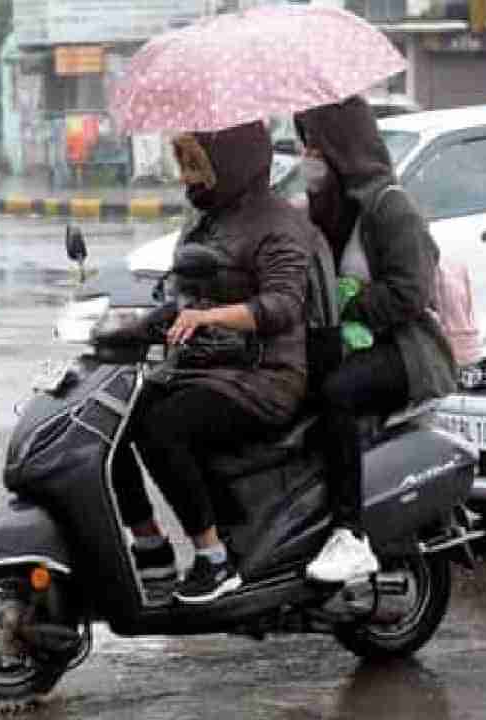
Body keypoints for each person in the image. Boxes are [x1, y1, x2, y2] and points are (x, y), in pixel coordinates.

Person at [111, 120, 317, 604]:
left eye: (196, 168)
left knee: (163, 428)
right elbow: (184, 290)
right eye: (183, 167)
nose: (188, 180)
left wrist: (212, 318)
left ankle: (213, 557)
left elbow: (285, 305)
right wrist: (126, 329)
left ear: (232, 165)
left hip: (264, 374)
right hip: (209, 365)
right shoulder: (209, 216)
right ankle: (150, 546)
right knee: (112, 417)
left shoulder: (278, 224)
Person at [295, 96, 457, 584]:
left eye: (316, 148)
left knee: (337, 393)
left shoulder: (390, 206)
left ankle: (351, 534)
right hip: (352, 340)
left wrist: (349, 303)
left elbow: (411, 292)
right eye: (305, 147)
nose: (308, 159)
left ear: (342, 148)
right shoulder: (328, 210)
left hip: (406, 349)